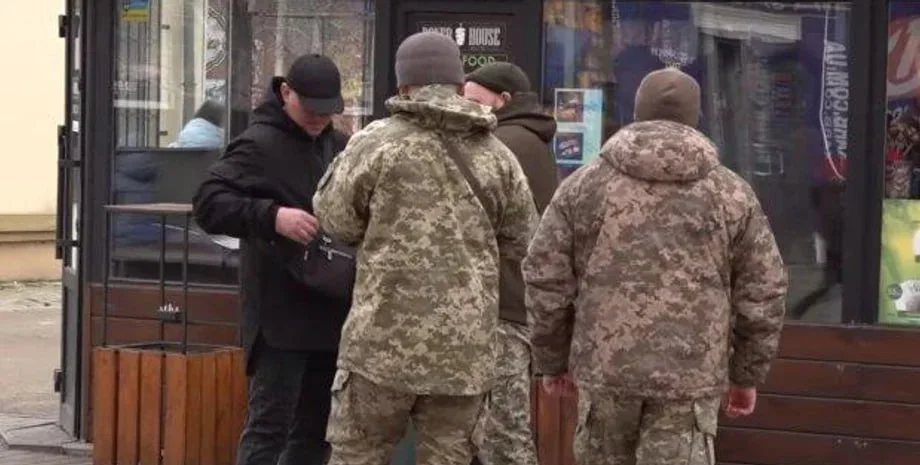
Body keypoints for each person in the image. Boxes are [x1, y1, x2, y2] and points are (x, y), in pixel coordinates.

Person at [523, 68, 788, 465]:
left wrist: (552, 360)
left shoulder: (584, 185)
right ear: (695, 117)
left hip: (606, 372)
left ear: (637, 112)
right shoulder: (731, 193)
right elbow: (764, 290)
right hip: (689, 379)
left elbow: (545, 276)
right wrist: (746, 374)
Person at [312, 31, 538, 465]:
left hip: (379, 346)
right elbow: (523, 238)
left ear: (402, 85)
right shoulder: (497, 154)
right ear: (459, 83)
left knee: (358, 455)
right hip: (464, 353)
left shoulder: (374, 143)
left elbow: (336, 221)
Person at [192, 54, 349, 465]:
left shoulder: (339, 144)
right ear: (286, 93)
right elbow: (208, 203)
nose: (319, 119)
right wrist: (272, 216)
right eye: (311, 109)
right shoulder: (258, 144)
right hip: (280, 316)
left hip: (331, 310)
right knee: (269, 428)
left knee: (317, 432)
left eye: (327, 111)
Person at [463, 62, 558, 465]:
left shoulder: (503, 144)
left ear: (503, 100)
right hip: (518, 301)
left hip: (501, 303)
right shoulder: (530, 140)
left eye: (474, 101)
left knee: (502, 432)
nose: (465, 108)